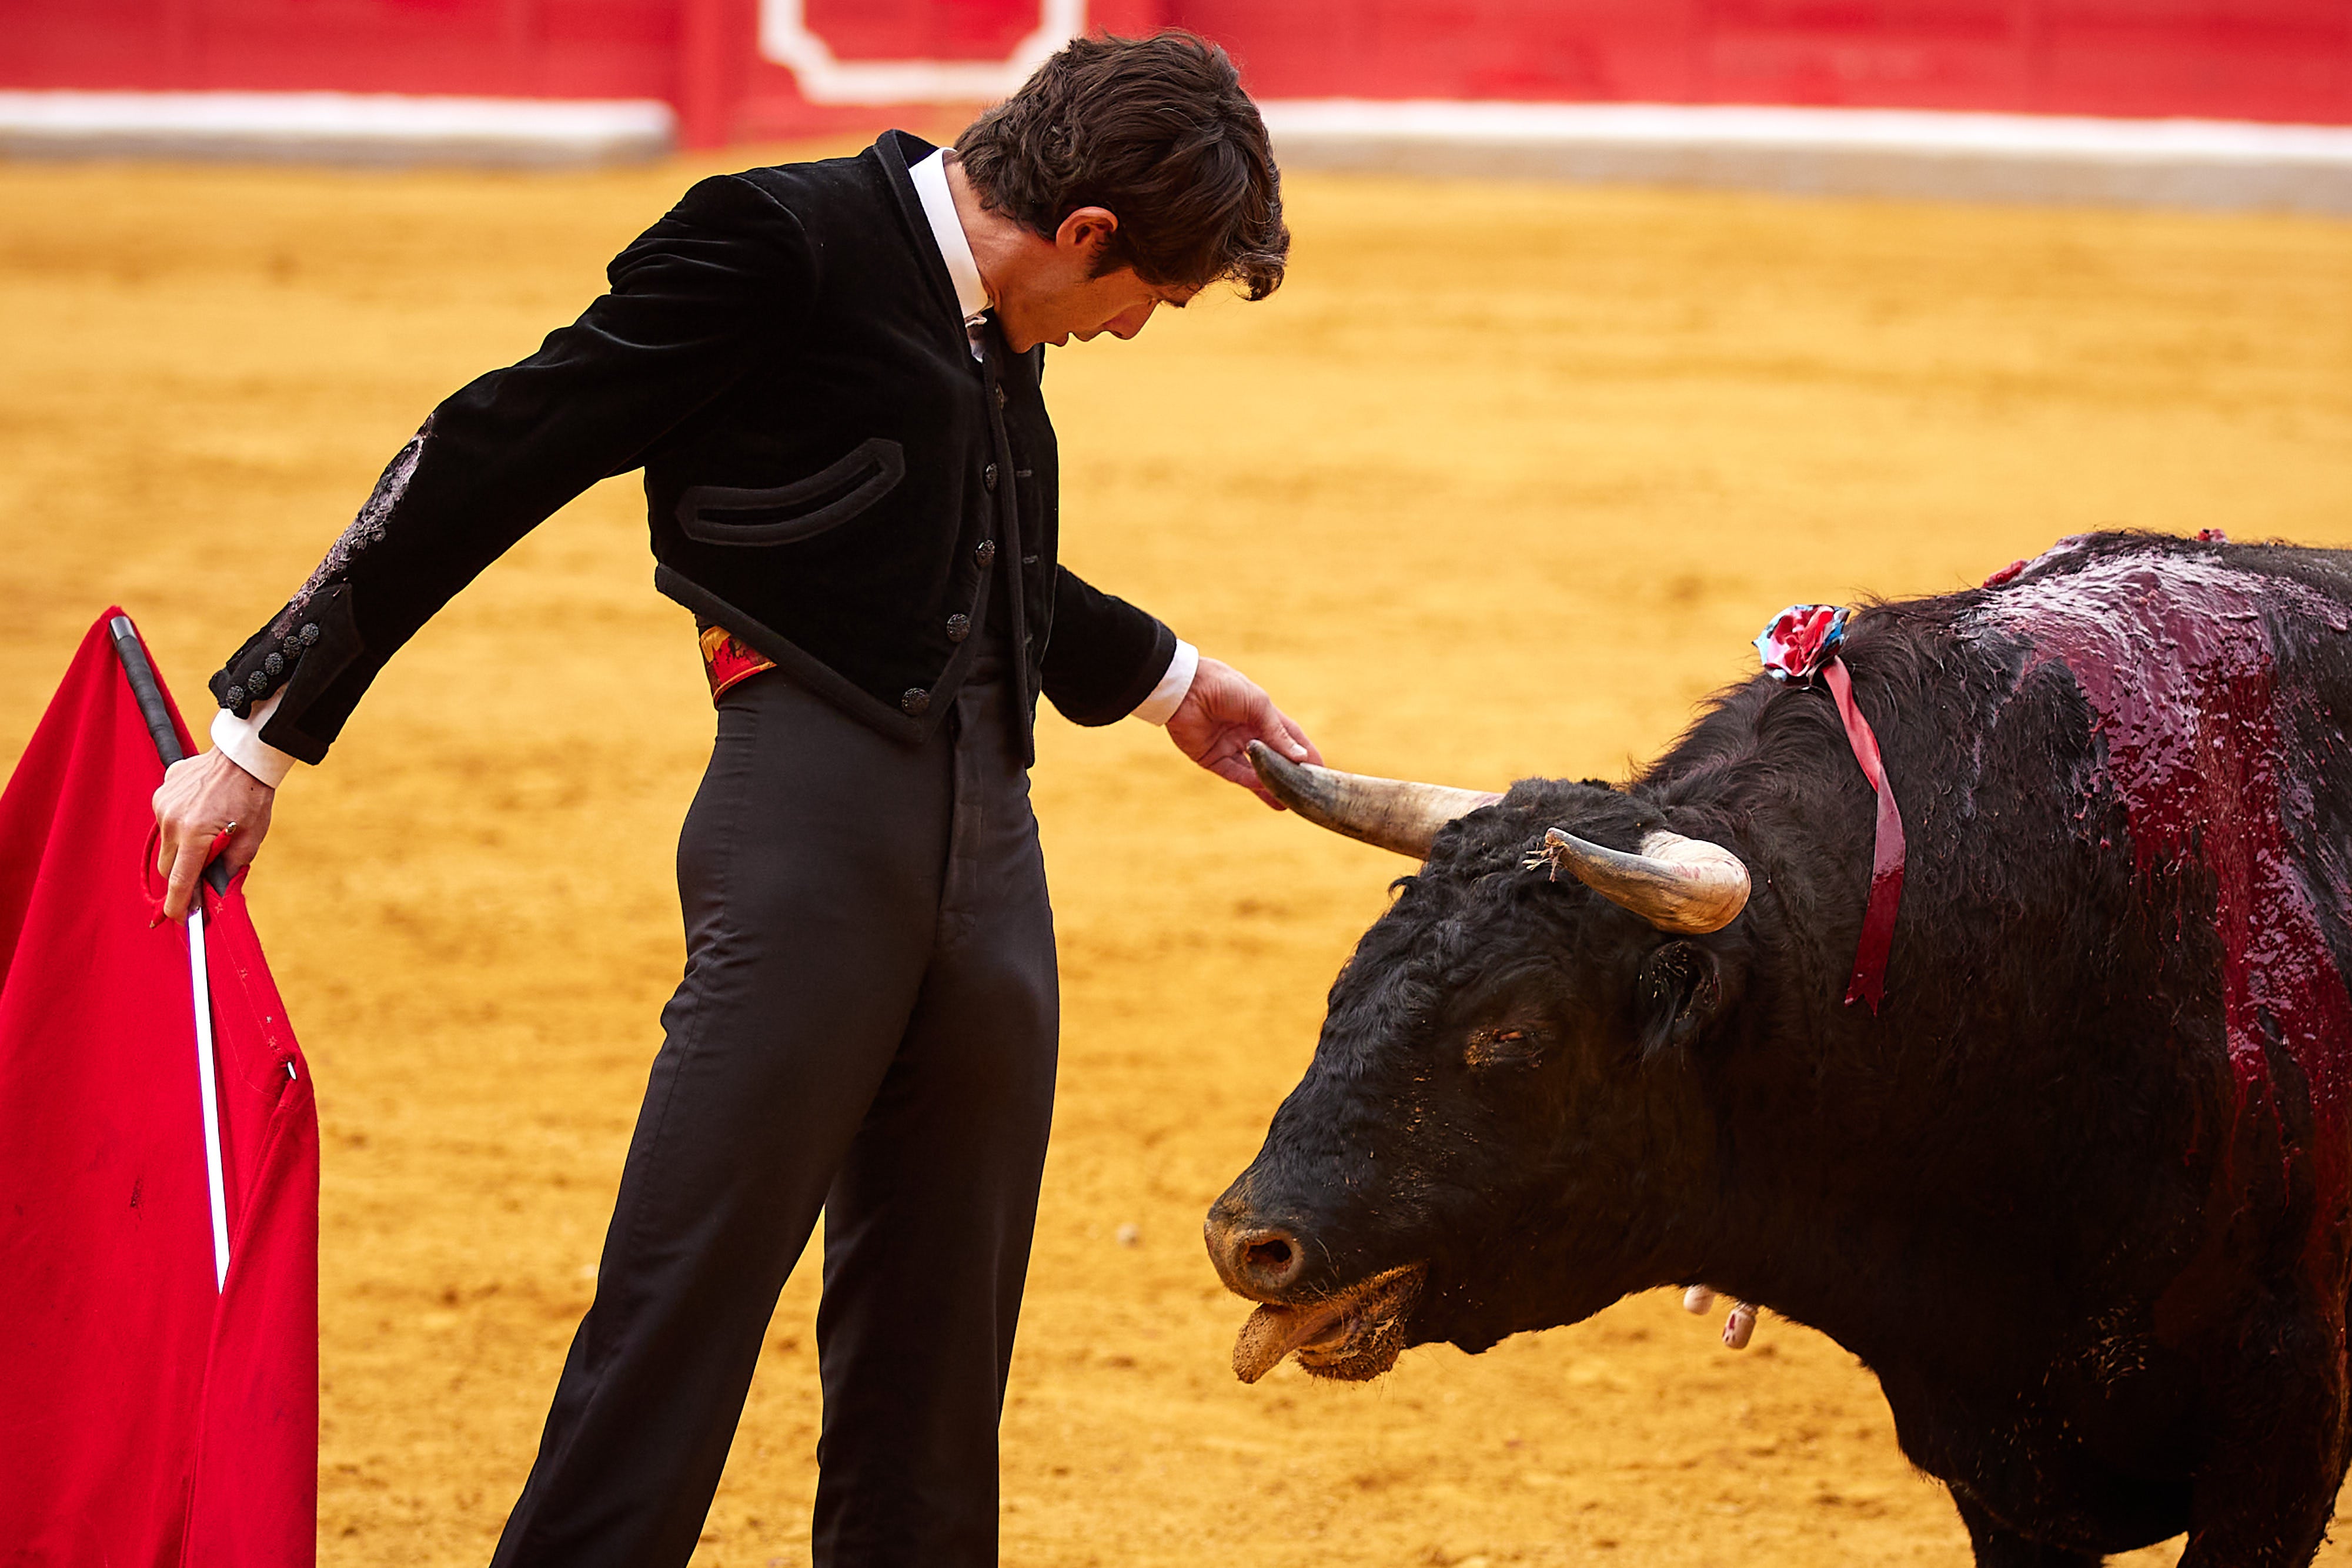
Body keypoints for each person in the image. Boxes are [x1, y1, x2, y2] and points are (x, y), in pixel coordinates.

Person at [151, 31, 1319, 1567]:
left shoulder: (990, 316)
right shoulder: (772, 244)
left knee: (941, 1348)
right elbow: (494, 447)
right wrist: (260, 727)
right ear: (1086, 233)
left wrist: (1168, 678)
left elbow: (951, 550)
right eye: (1144, 303)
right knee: (681, 1306)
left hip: (993, 854)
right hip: (808, 839)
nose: (1129, 333)